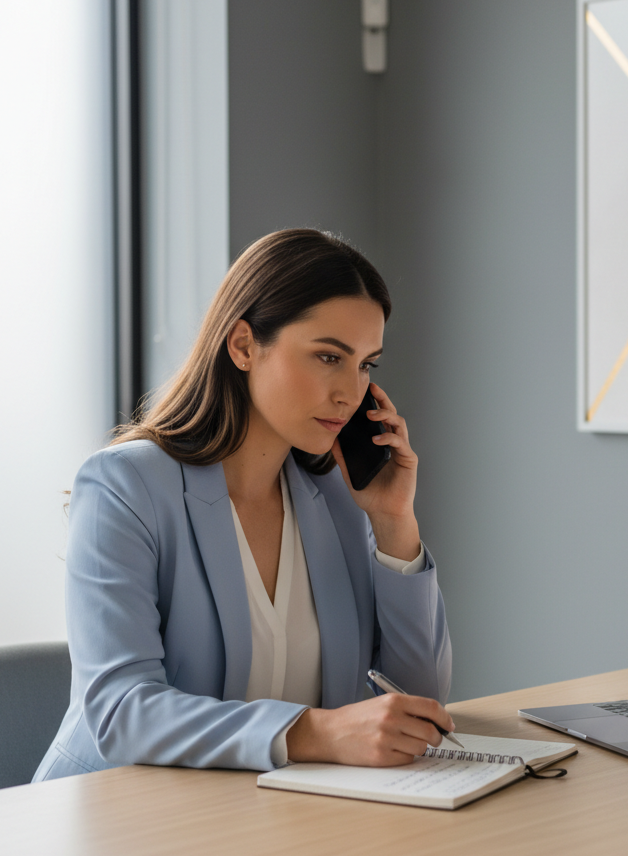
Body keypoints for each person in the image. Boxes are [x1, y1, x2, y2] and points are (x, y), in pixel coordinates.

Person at [34, 229, 453, 781]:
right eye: (328, 356)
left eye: (365, 365)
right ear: (243, 346)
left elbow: (416, 705)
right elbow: (121, 711)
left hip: (269, 813)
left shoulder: (339, 497)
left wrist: (395, 523)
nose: (350, 393)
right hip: (120, 813)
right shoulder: (125, 487)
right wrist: (315, 732)